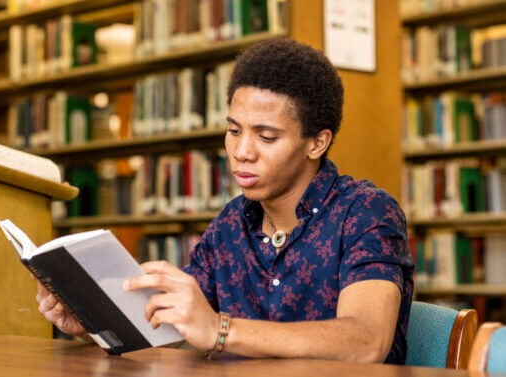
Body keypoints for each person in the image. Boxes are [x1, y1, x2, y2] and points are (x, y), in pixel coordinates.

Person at [36, 38, 415, 364]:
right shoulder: (231, 224)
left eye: (266, 137)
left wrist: (219, 329)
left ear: (317, 142)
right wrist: (90, 321)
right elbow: (172, 324)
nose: (241, 151)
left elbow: (366, 342)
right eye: (233, 131)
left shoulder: (366, 213)